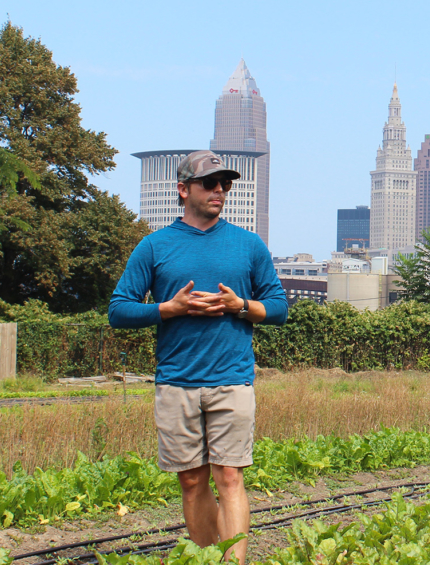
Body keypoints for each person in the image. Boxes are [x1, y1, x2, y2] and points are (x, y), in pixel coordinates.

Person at [109, 150, 288, 564]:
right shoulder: (154, 247)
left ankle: (235, 562)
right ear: (183, 189)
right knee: (192, 480)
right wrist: (167, 310)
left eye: (224, 184)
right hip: (176, 381)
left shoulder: (248, 245)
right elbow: (119, 310)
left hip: (232, 378)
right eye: (210, 183)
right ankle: (210, 559)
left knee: (230, 476)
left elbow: (278, 307)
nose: (220, 191)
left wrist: (240, 305)